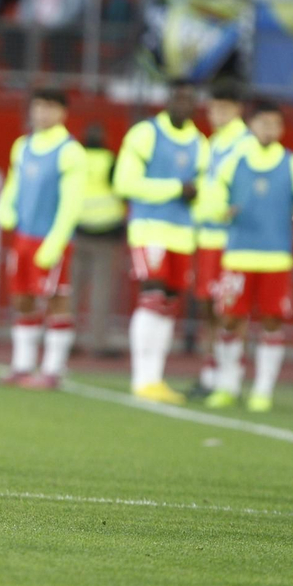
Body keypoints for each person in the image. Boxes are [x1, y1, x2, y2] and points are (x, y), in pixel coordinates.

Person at [199, 99, 293, 412]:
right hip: (237, 256)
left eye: (275, 124)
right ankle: (228, 384)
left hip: (275, 258)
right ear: (251, 126)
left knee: (273, 322)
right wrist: (221, 210)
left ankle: (262, 390)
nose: (269, 129)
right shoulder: (233, 160)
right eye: (263, 123)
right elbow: (211, 196)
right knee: (229, 320)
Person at [114, 79, 206, 404]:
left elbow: (204, 190)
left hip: (182, 235)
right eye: (178, 98)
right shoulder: (145, 134)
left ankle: (156, 378)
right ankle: (142, 378)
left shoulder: (199, 142)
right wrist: (176, 188)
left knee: (169, 304)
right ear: (167, 100)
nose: (184, 104)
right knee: (151, 296)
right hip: (150, 228)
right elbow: (124, 182)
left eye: (190, 99)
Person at [0, 90, 86, 388]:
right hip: (23, 237)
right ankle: (22, 365)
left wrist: (56, 242)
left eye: (49, 107)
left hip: (51, 240)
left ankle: (53, 370)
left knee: (57, 299)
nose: (42, 113)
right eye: (38, 107)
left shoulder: (70, 151)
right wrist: (6, 208)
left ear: (62, 112)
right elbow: (14, 184)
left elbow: (72, 203)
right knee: (22, 298)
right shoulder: (23, 145)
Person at [193, 78, 251, 400]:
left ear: (237, 109)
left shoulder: (245, 142)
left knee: (231, 309)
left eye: (223, 107)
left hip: (231, 239)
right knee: (207, 306)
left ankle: (232, 376)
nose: (216, 113)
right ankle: (210, 371)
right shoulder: (211, 143)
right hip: (206, 237)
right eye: (213, 107)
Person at [72, 124, 126, 349]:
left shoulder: (76, 158)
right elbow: (123, 189)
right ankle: (98, 342)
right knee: (101, 291)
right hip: (106, 233)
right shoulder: (111, 160)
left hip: (77, 230)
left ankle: (67, 339)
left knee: (72, 289)